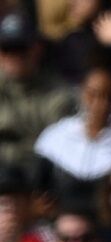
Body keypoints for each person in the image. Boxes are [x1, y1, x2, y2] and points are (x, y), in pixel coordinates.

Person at [33, 64, 111, 205]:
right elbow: (39, 193)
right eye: (93, 95)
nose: (101, 104)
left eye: (108, 97)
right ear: (82, 93)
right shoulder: (55, 137)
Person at [0, 11, 75, 174]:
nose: (14, 57)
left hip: (39, 177)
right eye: (7, 49)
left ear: (37, 48)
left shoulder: (58, 92)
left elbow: (54, 147)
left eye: (20, 48)